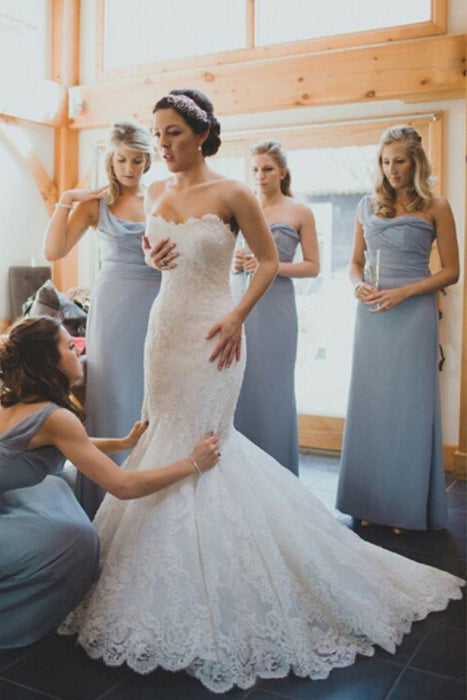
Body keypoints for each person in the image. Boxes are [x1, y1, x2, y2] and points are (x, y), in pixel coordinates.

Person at [59, 92, 463, 694]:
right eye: (157, 133)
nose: (162, 145)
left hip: (217, 330)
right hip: (164, 332)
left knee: (208, 442)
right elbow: (155, 252)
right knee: (164, 432)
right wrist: (152, 251)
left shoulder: (233, 194)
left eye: (172, 133)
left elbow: (268, 263)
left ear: (200, 134)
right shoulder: (157, 192)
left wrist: (237, 317)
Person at [0, 316, 220, 649]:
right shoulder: (55, 418)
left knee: (53, 489)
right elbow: (123, 486)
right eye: (69, 346)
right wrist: (192, 464)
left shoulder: (14, 402)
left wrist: (122, 443)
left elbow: (69, 445)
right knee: (77, 542)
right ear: (50, 361)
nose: (78, 350)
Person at [336, 125, 459, 533]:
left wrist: (405, 292)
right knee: (372, 405)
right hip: (373, 312)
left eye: (400, 161)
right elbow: (355, 262)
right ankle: (366, 502)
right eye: (385, 161)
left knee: (408, 409)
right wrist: (357, 285)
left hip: (414, 311)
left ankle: (404, 508)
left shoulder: (437, 206)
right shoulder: (366, 204)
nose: (392, 169)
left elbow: (452, 272)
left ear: (416, 162)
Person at [43, 120, 162, 518]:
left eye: (137, 160)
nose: (129, 168)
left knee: (153, 393)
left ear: (148, 161)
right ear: (111, 160)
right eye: (122, 160)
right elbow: (53, 251)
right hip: (114, 309)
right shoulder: (97, 204)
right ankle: (106, 503)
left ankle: (150, 498)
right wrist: (66, 200)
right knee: (114, 394)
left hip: (160, 304)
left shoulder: (161, 198)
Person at [232, 140, 319, 474]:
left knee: (274, 389)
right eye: (255, 169)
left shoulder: (299, 211)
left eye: (267, 169)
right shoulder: (241, 207)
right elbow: (228, 256)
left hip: (276, 307)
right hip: (240, 301)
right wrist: (235, 263)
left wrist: (271, 266)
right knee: (240, 385)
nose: (260, 176)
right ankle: (241, 472)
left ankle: (278, 471)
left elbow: (312, 266)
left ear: (282, 172)